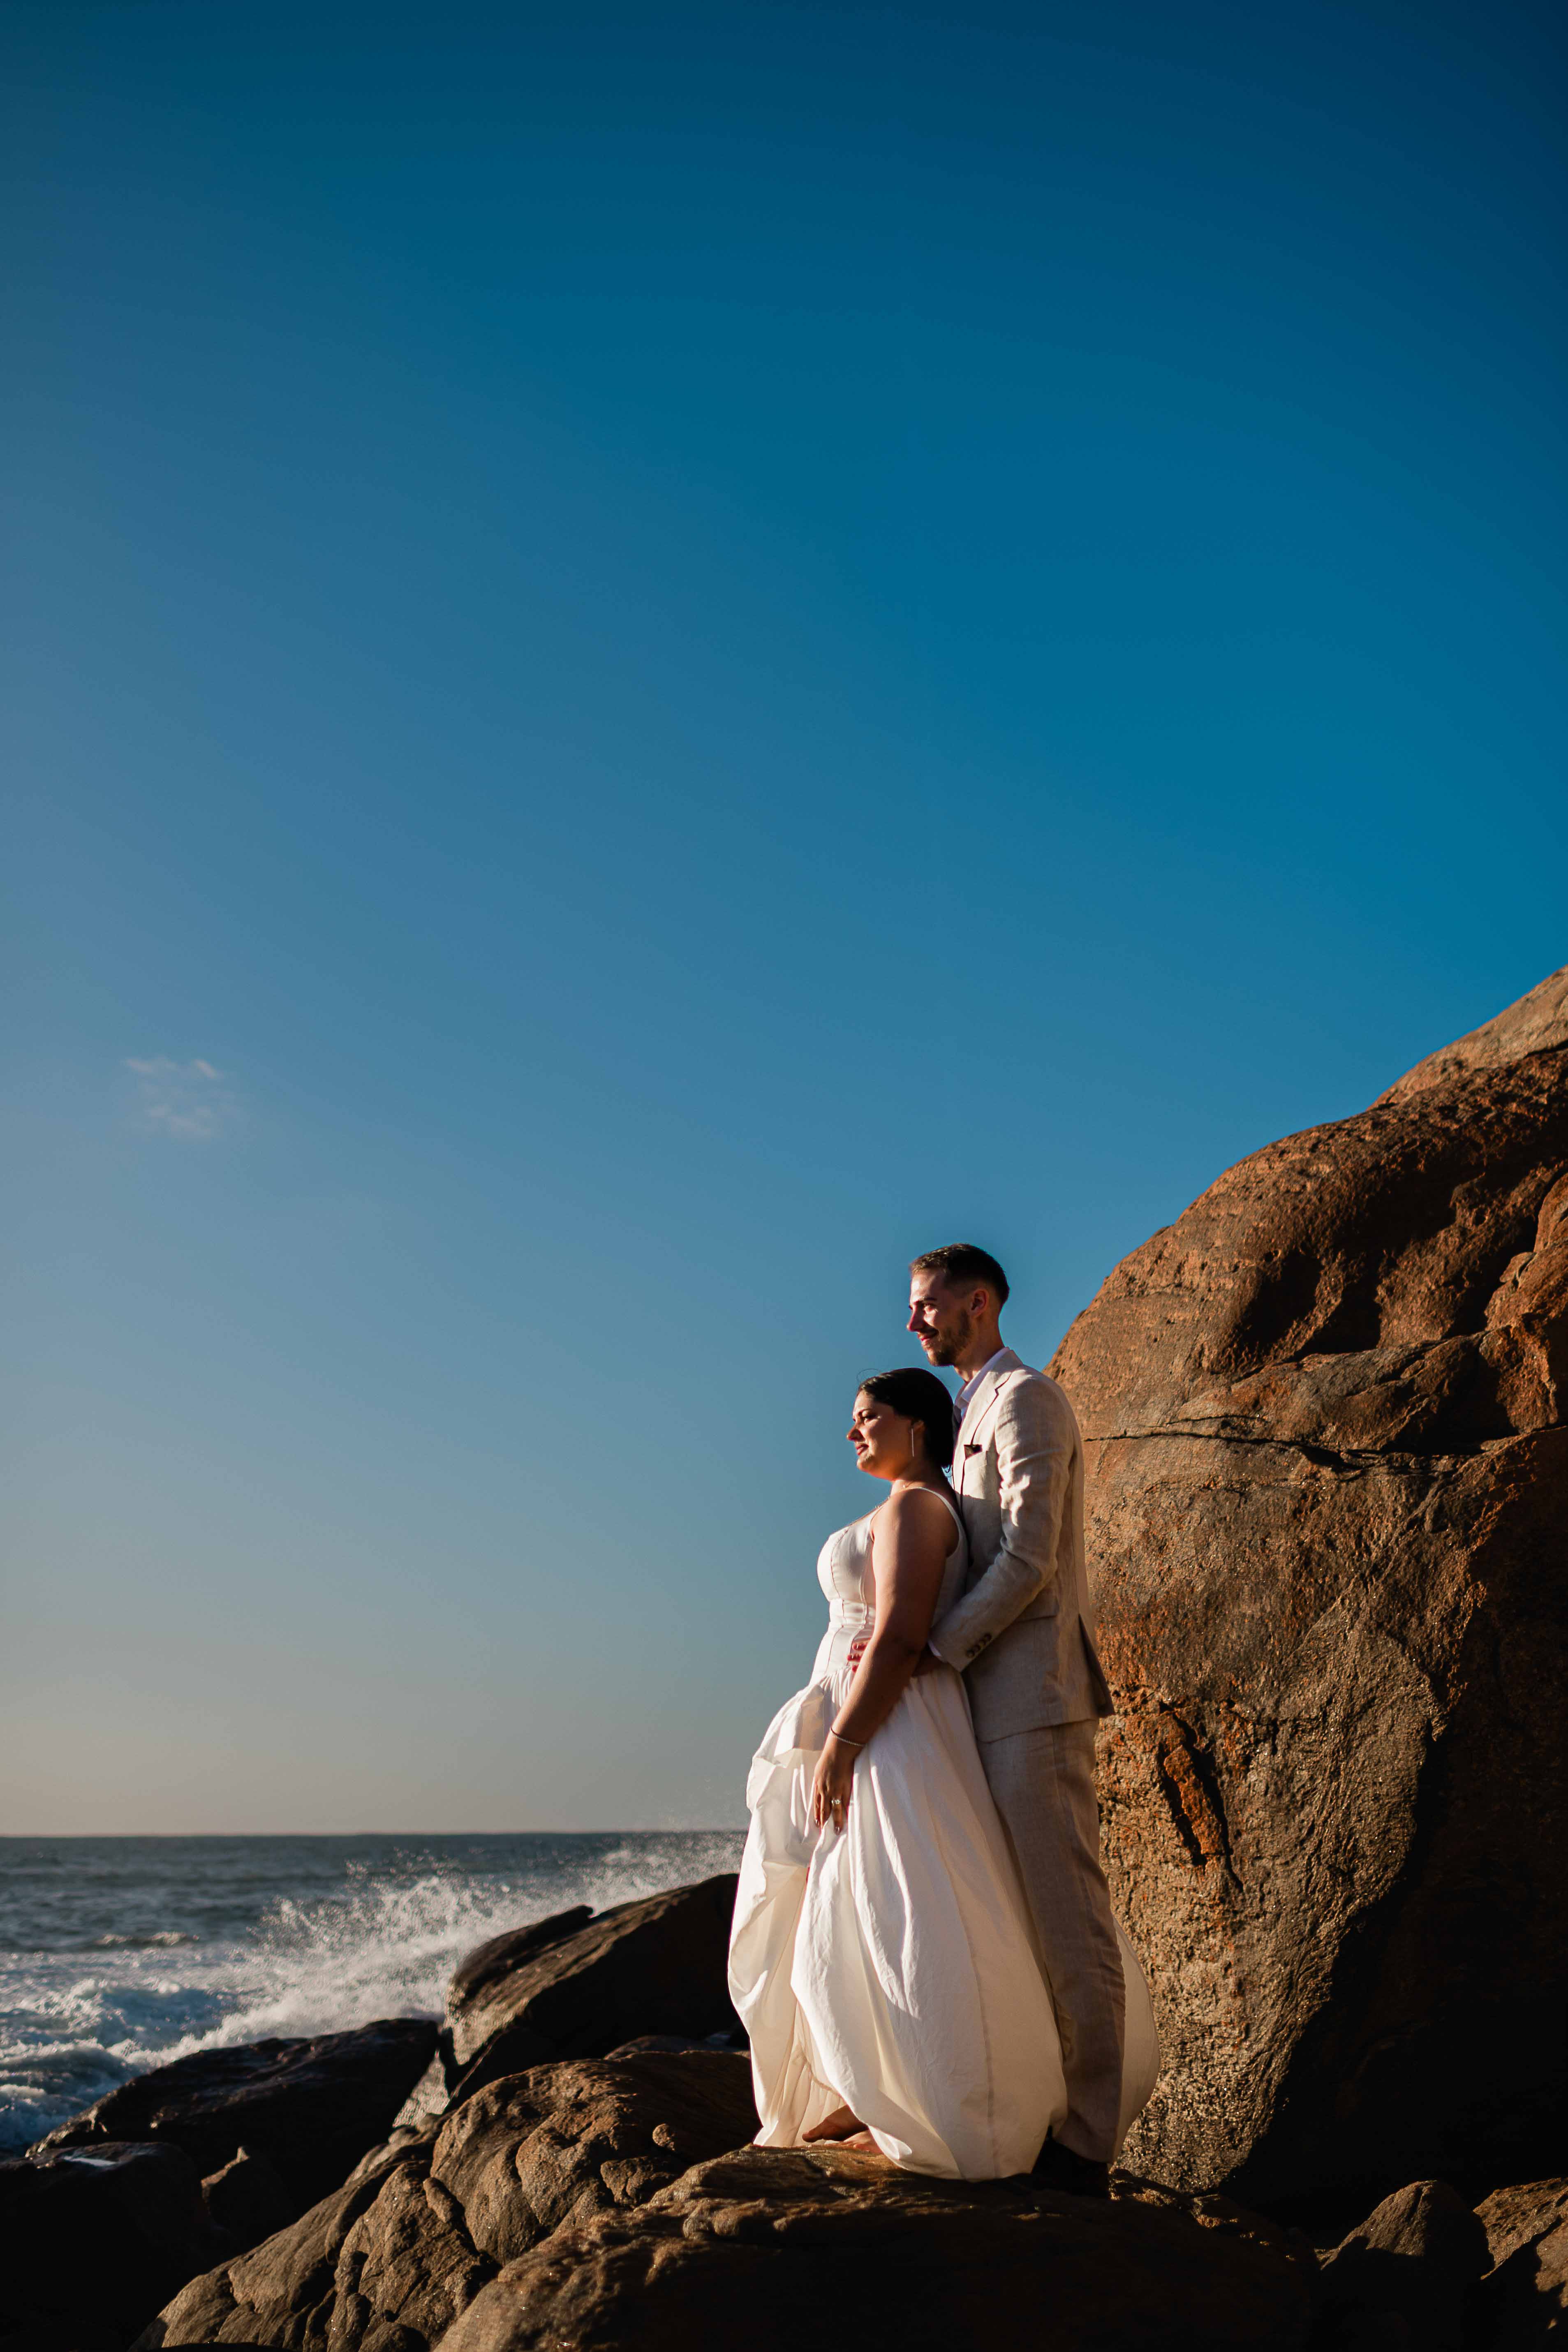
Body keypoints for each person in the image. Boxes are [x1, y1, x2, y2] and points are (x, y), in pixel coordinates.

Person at [727, 1365, 1157, 2181]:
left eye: (867, 1415)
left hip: (888, 1723)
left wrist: (845, 1742)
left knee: (901, 1905)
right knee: (854, 1902)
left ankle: (928, 2096)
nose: (852, 1431)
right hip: (868, 1711)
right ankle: (872, 2086)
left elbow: (898, 1635)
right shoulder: (908, 1505)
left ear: (916, 1426)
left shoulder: (916, 1507)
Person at [907, 1242, 1131, 2197]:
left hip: (1031, 1695)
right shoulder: (963, 1412)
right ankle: (1040, 2114)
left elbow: (1031, 1556)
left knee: (1064, 1916)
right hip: (980, 1701)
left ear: (980, 1300)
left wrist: (935, 1651)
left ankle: (1087, 2142)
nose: (914, 1320)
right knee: (1013, 1922)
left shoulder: (1026, 1399)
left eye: (926, 1303)